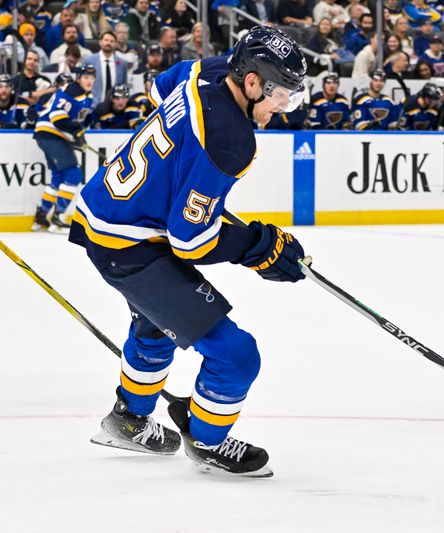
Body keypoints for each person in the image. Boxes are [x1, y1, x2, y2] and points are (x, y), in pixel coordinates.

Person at [66, 26, 308, 477]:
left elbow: (160, 86)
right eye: (281, 95)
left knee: (156, 326)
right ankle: (208, 440)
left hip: (106, 214)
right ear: (252, 82)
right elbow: (191, 240)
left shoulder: (211, 70)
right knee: (236, 355)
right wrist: (259, 246)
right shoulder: (230, 139)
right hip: (131, 245)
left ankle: (129, 418)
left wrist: (177, 169)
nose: (283, 108)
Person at [31, 64, 96, 233]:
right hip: (51, 133)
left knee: (59, 175)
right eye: (86, 77)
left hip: (49, 135)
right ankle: (58, 218)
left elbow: (77, 121)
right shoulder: (71, 89)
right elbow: (57, 118)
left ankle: (42, 216)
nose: (89, 81)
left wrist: (78, 135)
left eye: (91, 77)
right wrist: (77, 132)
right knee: (74, 174)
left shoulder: (87, 96)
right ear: (79, 78)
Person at [83, 31, 128, 103]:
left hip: (114, 107)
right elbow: (83, 85)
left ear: (116, 44)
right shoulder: (89, 60)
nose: (108, 43)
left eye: (112, 41)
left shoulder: (122, 63)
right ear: (100, 42)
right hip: (93, 105)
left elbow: (124, 85)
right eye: (106, 40)